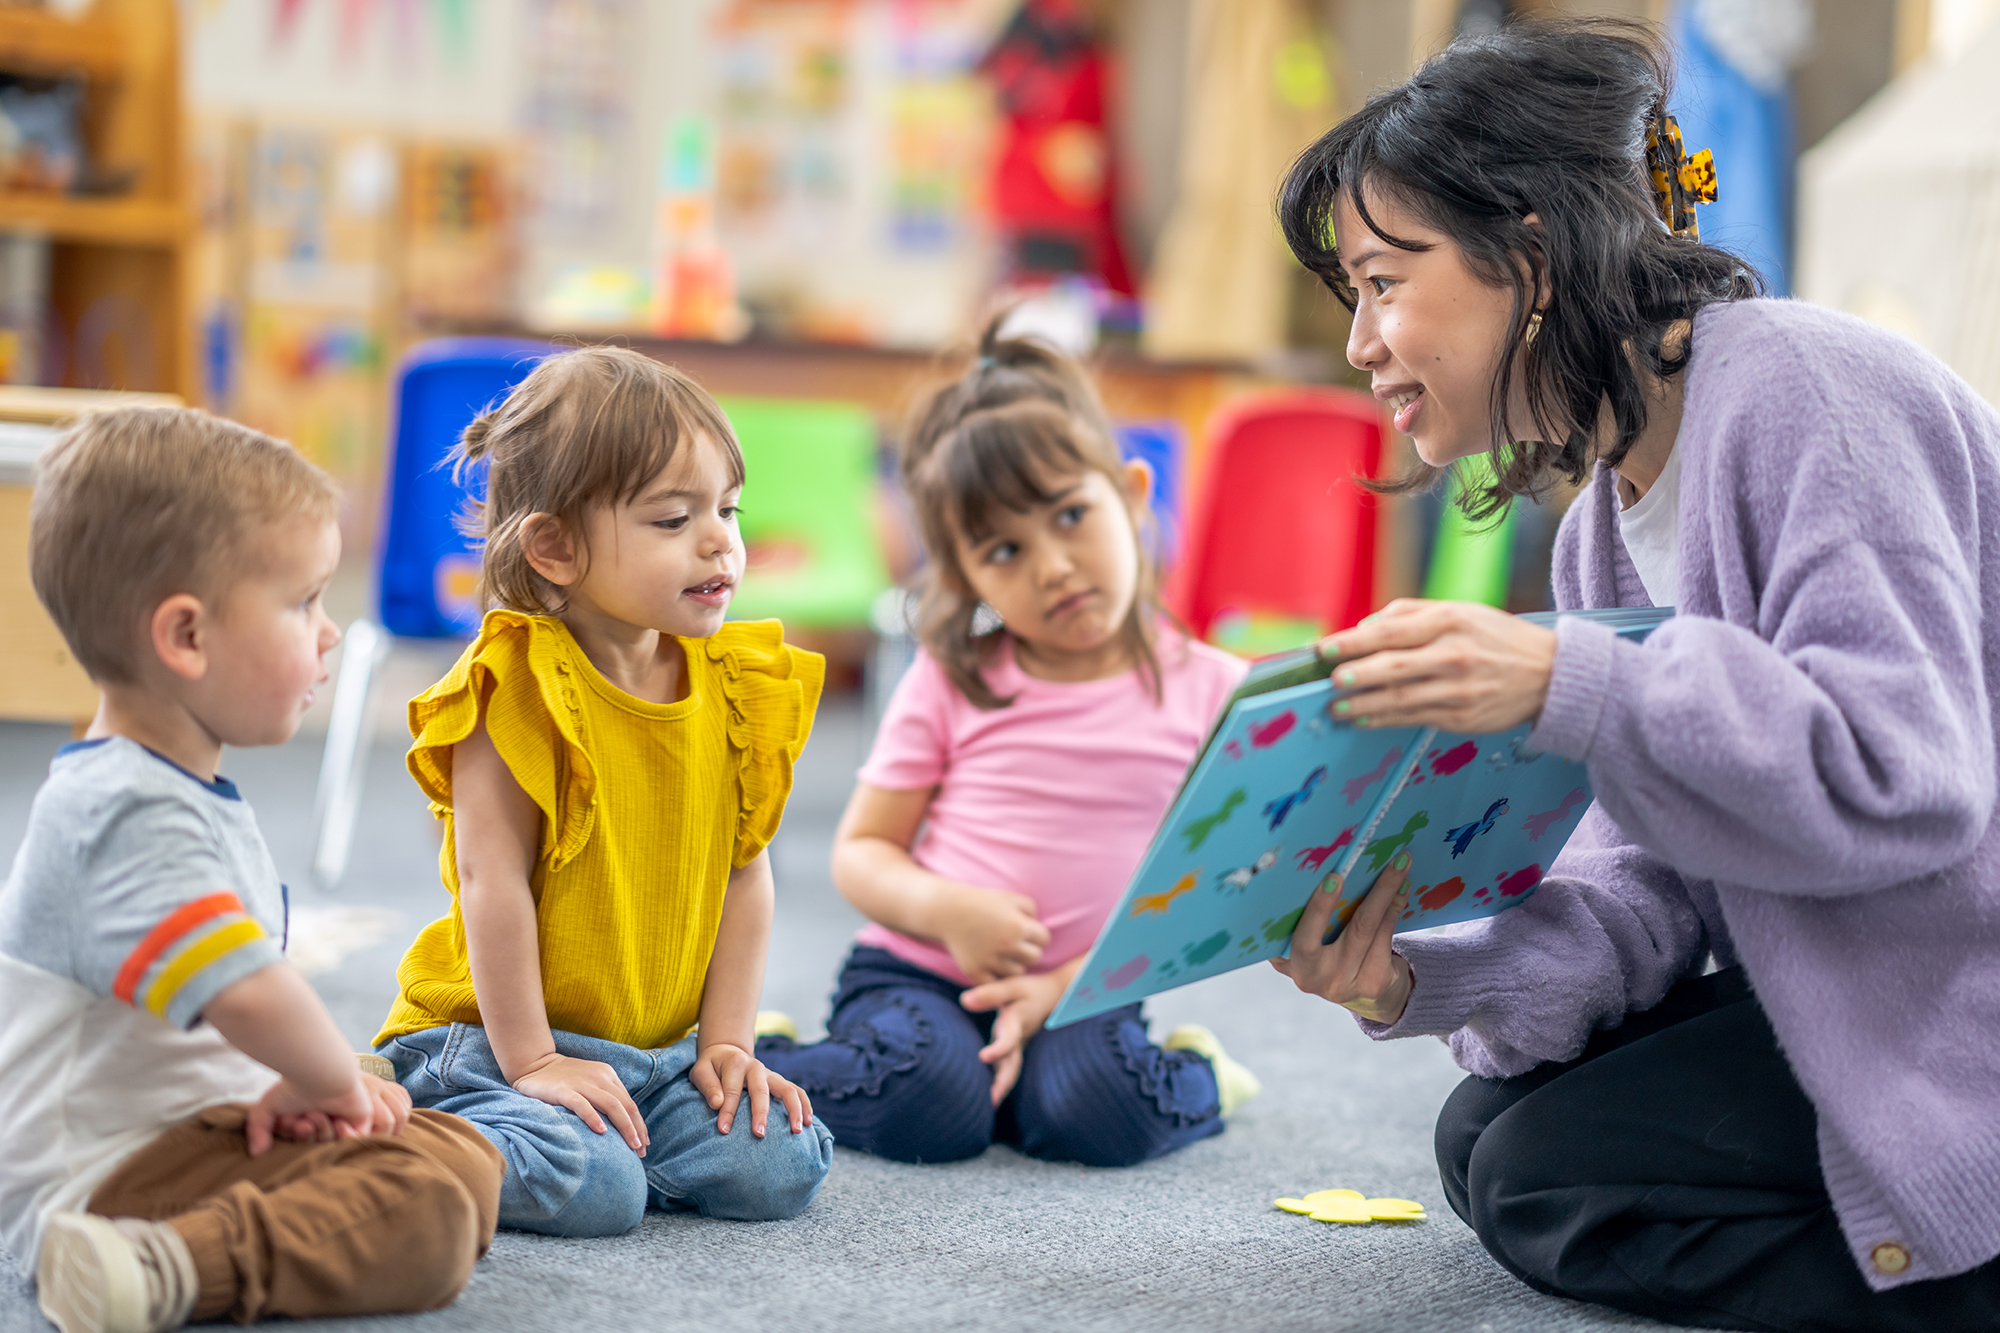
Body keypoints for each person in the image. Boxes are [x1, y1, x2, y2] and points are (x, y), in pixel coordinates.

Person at [1264, 18, 2000, 1332]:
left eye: (1386, 281)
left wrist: (1572, 679)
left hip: (1961, 988)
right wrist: (1420, 980)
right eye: (1351, 296)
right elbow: (1644, 885)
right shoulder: (1604, 518)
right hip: (1848, 969)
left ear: (1530, 261)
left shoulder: (1802, 392)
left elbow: (1910, 782)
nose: (1364, 340)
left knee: (1550, 1176)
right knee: (1484, 1141)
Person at [3, 408, 503, 1333]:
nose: (329, 633)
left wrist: (314, 1086)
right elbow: (245, 988)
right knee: (424, 1211)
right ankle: (158, 1268)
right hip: (102, 1177)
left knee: (463, 1153)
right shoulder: (120, 808)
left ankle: (206, 1233)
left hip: (185, 1125)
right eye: (303, 601)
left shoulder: (173, 785)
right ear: (186, 637)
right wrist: (327, 1083)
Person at [756, 321, 1261, 1167]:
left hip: (1085, 988)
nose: (1055, 566)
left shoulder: (1213, 688)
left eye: (1072, 515)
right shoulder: (955, 677)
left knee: (1097, 1115)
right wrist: (946, 912)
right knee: (930, 1106)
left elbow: (1211, 888)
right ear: (965, 577)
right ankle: (776, 1057)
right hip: (919, 974)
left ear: (1133, 496)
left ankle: (1196, 1069)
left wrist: (1069, 986)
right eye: (1005, 549)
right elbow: (863, 850)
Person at [371, 347, 833, 1237]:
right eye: (672, 519)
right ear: (555, 546)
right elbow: (491, 885)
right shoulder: (517, 685)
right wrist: (536, 1060)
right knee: (597, 1188)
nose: (719, 541)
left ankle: (601, 1139)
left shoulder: (735, 684)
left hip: (653, 1055)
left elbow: (746, 874)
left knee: (780, 1159)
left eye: (727, 510)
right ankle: (406, 1120)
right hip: (492, 1044)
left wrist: (727, 1046)